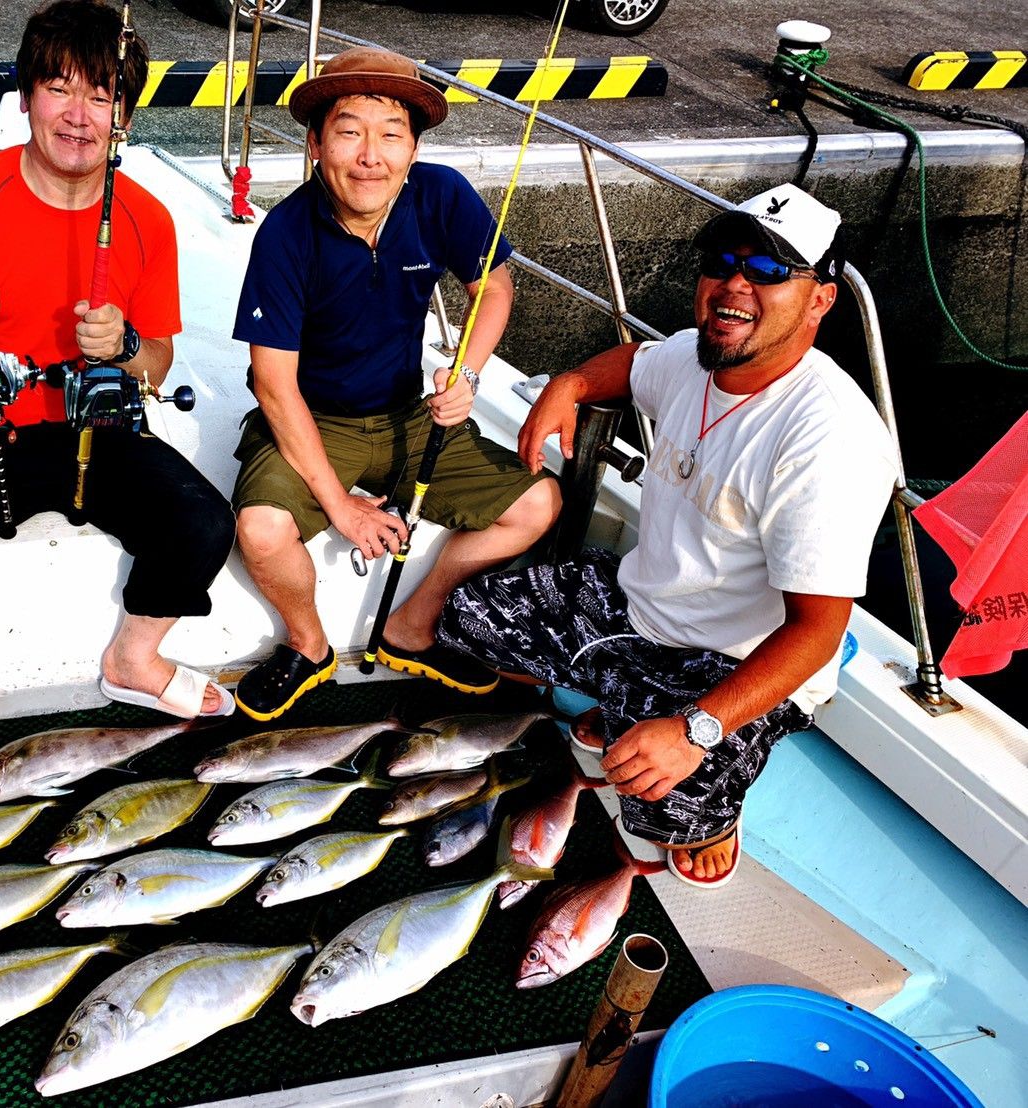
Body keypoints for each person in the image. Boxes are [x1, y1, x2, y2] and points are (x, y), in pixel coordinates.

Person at [439, 184, 899, 888]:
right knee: (463, 619)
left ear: (820, 299)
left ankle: (705, 797)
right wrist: (568, 383)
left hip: (728, 667)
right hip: (637, 609)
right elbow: (632, 365)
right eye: (722, 262)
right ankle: (615, 697)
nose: (733, 286)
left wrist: (695, 732)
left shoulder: (830, 438)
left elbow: (817, 632)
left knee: (666, 807)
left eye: (771, 271)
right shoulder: (695, 353)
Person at [0, 0, 235, 825]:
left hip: (96, 426)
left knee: (202, 519)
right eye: (57, 88)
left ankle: (135, 661)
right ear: (25, 99)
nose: (77, 113)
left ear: (123, 114)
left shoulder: (148, 217)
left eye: (100, 95)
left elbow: (159, 363)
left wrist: (127, 345)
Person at [230, 46, 561, 721]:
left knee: (541, 505)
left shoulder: (441, 195)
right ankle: (308, 646)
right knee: (261, 529)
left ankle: (414, 623)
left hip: (409, 412)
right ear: (317, 143)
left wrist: (465, 372)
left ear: (412, 146)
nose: (369, 155)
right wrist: (343, 506)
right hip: (313, 416)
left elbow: (494, 286)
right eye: (349, 131)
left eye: (391, 134)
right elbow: (273, 385)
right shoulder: (287, 233)